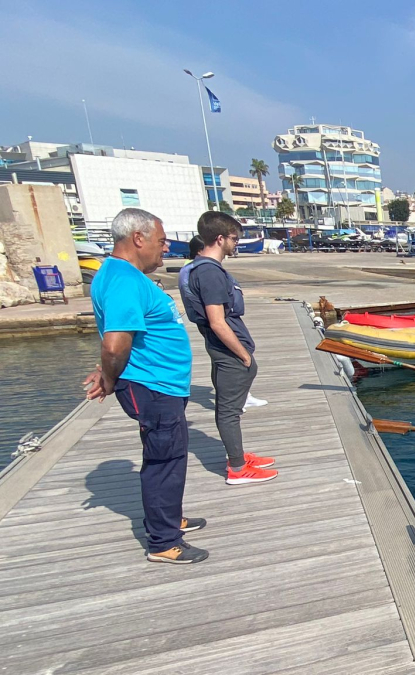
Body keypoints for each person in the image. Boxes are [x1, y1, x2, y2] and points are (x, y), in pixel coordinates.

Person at [83, 208, 208, 564]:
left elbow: (123, 337)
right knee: (164, 460)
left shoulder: (121, 275)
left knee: (169, 456)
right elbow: (114, 344)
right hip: (153, 387)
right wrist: (109, 377)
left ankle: (168, 518)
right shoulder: (123, 279)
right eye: (161, 241)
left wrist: (108, 370)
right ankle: (163, 542)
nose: (166, 248)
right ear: (138, 238)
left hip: (160, 384)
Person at [179, 212, 277, 486]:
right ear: (220, 239)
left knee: (229, 408)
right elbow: (217, 321)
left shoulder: (199, 268)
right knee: (229, 411)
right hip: (228, 352)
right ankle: (237, 468)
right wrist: (244, 355)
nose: (237, 244)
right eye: (234, 239)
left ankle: (238, 456)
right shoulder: (209, 273)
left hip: (222, 350)